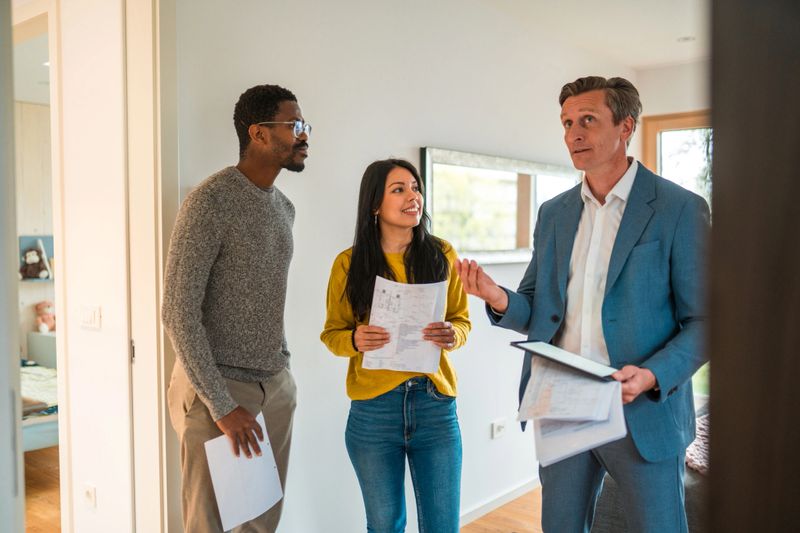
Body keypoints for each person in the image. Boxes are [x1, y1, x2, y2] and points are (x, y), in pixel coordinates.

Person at [455, 76, 710, 533]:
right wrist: (496, 297)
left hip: (642, 412)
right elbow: (536, 308)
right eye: (567, 122)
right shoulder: (553, 213)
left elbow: (705, 322)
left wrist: (653, 374)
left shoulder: (679, 208)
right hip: (562, 404)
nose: (573, 133)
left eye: (587, 120)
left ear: (625, 126)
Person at [162, 84, 310, 533]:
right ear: (259, 134)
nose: (305, 136)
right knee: (212, 527)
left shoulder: (283, 208)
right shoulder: (211, 200)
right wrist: (223, 406)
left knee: (260, 524)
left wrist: (281, 376)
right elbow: (177, 310)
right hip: (218, 394)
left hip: (273, 388)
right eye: (295, 125)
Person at [320, 158, 471, 533]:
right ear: (375, 204)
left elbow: (462, 321)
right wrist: (355, 339)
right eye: (399, 189)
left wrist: (453, 335)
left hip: (435, 406)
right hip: (374, 411)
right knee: (385, 525)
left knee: (442, 526)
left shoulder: (442, 254)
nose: (412, 197)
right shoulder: (348, 264)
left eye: (415, 188)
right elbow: (332, 334)